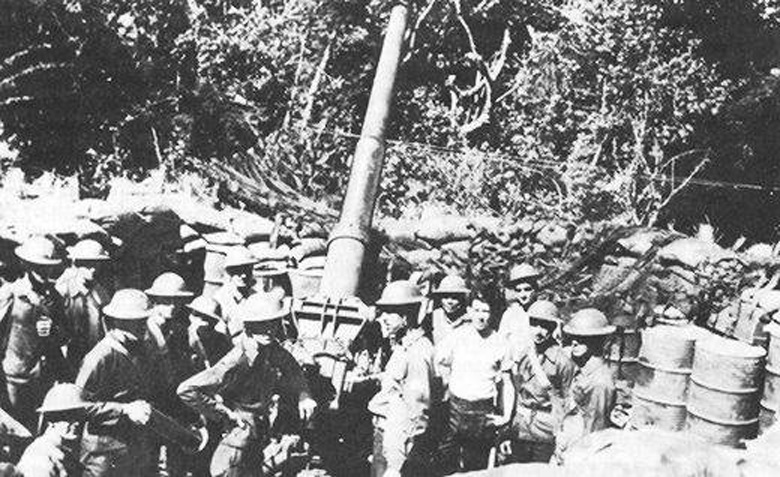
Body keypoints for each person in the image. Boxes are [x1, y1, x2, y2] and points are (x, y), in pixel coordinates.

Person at [177, 292, 316, 477]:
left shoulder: (269, 348)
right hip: (237, 436)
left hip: (258, 433)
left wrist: (304, 395)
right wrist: (224, 414)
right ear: (248, 325)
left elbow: (291, 367)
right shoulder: (237, 360)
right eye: (263, 324)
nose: (270, 330)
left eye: (273, 323)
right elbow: (186, 390)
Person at [76, 288, 168, 477]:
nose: (143, 326)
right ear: (119, 322)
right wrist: (124, 409)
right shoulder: (100, 356)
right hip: (102, 454)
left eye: (144, 320)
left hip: (133, 448)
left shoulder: (140, 350)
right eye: (137, 322)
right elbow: (78, 406)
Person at [435, 291, 515, 474]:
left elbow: (508, 383)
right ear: (469, 311)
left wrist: (506, 417)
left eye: (485, 311)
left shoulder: (500, 342)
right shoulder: (456, 337)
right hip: (454, 410)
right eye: (477, 310)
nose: (481, 316)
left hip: (482, 413)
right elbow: (438, 364)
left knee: (475, 468)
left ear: (492, 313)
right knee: (445, 464)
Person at [1, 236, 70, 430]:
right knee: (17, 433)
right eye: (37, 266)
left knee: (40, 430)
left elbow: (65, 335)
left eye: (47, 266)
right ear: (25, 265)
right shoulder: (11, 293)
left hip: (44, 377)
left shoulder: (54, 297)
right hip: (15, 380)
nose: (43, 271)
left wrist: (52, 331)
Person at [367, 280, 435, 477]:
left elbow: (418, 410)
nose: (384, 318)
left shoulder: (417, 351)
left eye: (390, 313)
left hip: (396, 439)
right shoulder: (403, 347)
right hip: (386, 433)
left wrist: (398, 464)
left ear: (406, 317)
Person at [502, 300, 576, 463]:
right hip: (520, 427)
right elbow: (514, 393)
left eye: (545, 326)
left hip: (546, 431)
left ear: (553, 327)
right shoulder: (521, 355)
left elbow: (567, 402)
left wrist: (561, 438)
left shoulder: (562, 361)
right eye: (534, 324)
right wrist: (507, 430)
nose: (539, 331)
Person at [145, 272, 200, 477]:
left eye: (177, 301)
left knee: (175, 459)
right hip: (151, 400)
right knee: (150, 458)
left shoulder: (178, 331)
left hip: (172, 399)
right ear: (155, 301)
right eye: (166, 301)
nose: (172, 307)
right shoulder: (145, 331)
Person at [554, 308, 617, 463]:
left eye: (583, 339)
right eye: (573, 337)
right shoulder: (583, 370)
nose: (574, 342)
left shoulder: (599, 382)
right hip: (570, 440)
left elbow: (594, 429)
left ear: (598, 341)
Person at [56, 239, 113, 370]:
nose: (93, 269)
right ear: (77, 263)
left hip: (93, 351)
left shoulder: (99, 291)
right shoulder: (63, 289)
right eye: (87, 264)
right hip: (69, 353)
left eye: (96, 264)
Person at [12, 383, 91, 476]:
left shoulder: (63, 452)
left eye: (80, 416)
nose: (77, 423)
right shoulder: (39, 457)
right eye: (69, 417)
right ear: (51, 420)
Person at [213, 246, 259, 342]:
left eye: (247, 270)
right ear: (229, 272)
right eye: (238, 270)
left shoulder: (256, 296)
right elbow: (218, 337)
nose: (243, 275)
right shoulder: (220, 300)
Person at [498, 263, 541, 354]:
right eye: (518, 290)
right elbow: (501, 343)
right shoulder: (510, 315)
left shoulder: (543, 311)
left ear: (535, 289)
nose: (523, 295)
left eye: (527, 289)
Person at [186, 294, 232, 370]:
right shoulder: (181, 336)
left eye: (208, 319)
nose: (202, 322)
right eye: (197, 315)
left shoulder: (220, 340)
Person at [428, 274, 469, 346]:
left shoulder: (470, 318)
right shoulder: (433, 317)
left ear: (462, 298)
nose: (449, 302)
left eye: (454, 297)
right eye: (445, 297)